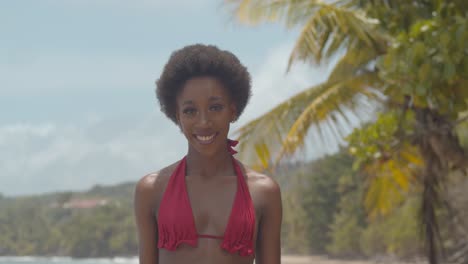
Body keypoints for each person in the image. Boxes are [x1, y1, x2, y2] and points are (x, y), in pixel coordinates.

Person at [134, 44, 282, 264]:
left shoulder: (263, 191)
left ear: (232, 111)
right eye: (190, 111)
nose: (203, 122)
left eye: (215, 107)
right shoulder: (151, 189)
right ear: (178, 116)